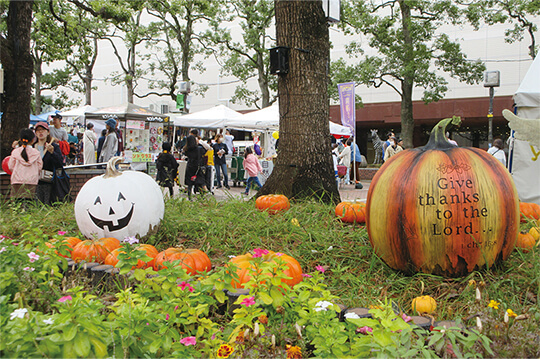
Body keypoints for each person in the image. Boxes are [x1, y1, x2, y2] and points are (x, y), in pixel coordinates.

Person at [8, 128, 43, 203]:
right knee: (29, 205)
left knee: (16, 205)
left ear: (20, 139)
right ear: (33, 140)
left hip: (17, 181)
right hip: (32, 182)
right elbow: (39, 167)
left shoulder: (15, 152)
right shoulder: (36, 153)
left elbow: (10, 166)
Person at [33, 122, 64, 205]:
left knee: (48, 204)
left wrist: (52, 152)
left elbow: (60, 163)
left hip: (49, 181)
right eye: (38, 130)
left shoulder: (53, 146)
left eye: (43, 130)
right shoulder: (32, 147)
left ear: (48, 132)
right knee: (36, 205)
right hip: (35, 181)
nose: (40, 132)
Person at [183, 129, 207, 199]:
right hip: (198, 166)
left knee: (190, 183)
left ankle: (189, 196)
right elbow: (205, 151)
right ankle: (202, 196)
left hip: (190, 166)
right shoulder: (199, 148)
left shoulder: (187, 149)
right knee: (200, 181)